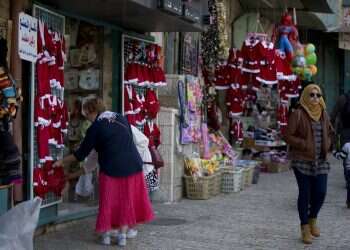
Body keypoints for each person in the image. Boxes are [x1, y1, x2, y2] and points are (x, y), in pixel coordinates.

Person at [53, 96, 154, 247]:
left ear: (89, 110)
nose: (85, 116)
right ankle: (122, 237)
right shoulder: (121, 118)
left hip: (111, 169)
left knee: (108, 202)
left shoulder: (95, 128)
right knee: (125, 202)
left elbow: (81, 154)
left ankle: (106, 236)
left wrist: (61, 161)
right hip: (132, 166)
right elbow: (92, 160)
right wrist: (71, 175)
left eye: (85, 112)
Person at [284, 84, 333, 244]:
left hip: (321, 160)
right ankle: (304, 227)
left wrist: (328, 144)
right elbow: (288, 136)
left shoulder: (324, 114)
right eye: (312, 95)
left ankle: (313, 220)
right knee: (305, 193)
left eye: (318, 95)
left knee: (321, 192)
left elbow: (330, 131)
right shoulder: (298, 114)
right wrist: (304, 144)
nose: (315, 98)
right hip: (302, 161)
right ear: (305, 96)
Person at [331, 90, 350, 207]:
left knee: (346, 154)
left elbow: (333, 115)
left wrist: (332, 131)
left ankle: (348, 178)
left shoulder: (342, 98)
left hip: (345, 131)